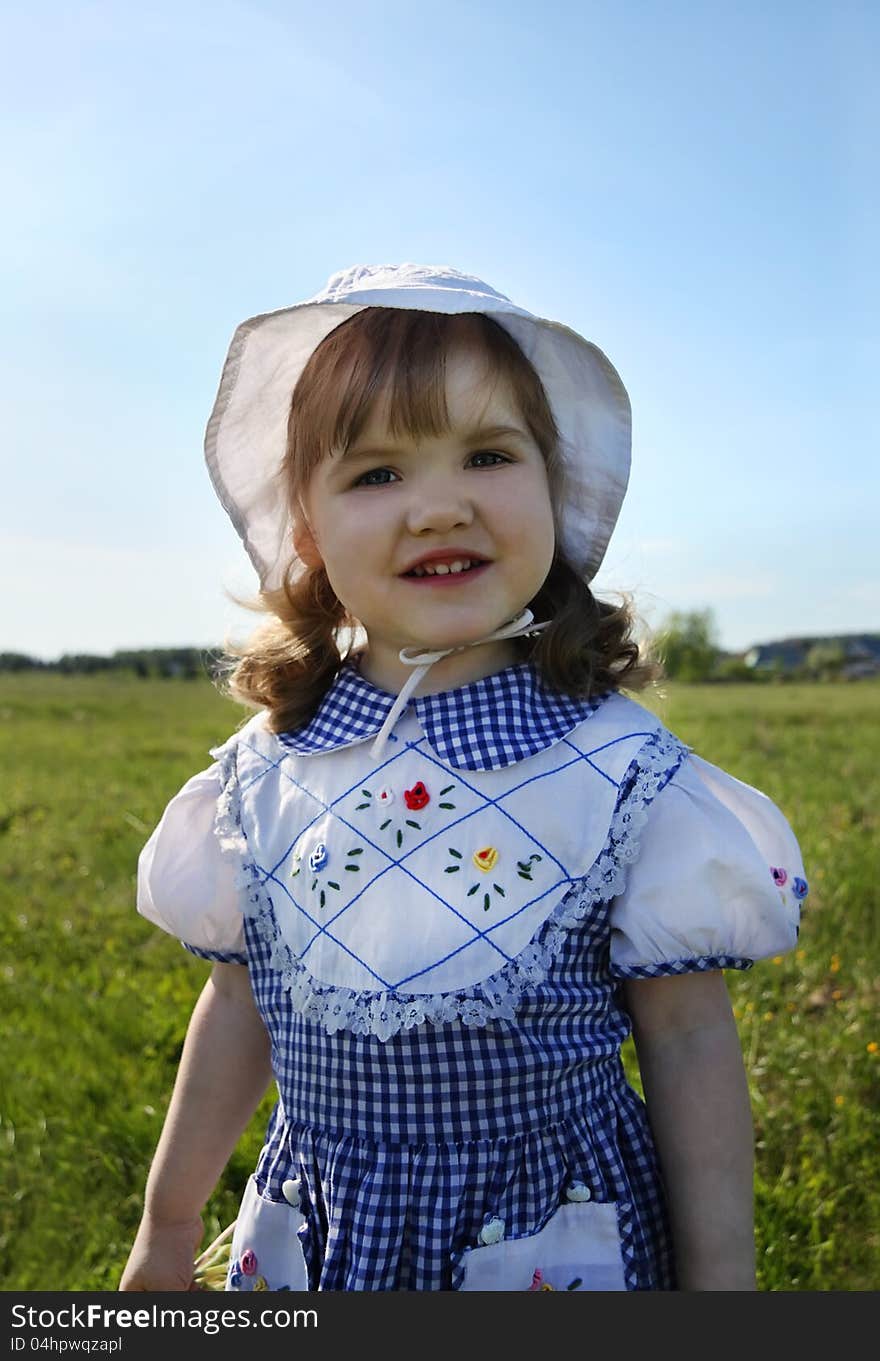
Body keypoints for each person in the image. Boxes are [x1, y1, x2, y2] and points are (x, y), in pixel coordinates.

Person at [119, 263, 808, 1293]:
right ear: (305, 530)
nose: (438, 506)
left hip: (551, 1240)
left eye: (485, 454)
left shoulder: (616, 772)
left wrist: (723, 1278)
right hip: (325, 1238)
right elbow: (237, 1003)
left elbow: (690, 1032)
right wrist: (169, 1228)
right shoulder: (265, 776)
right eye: (377, 474)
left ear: (554, 486)